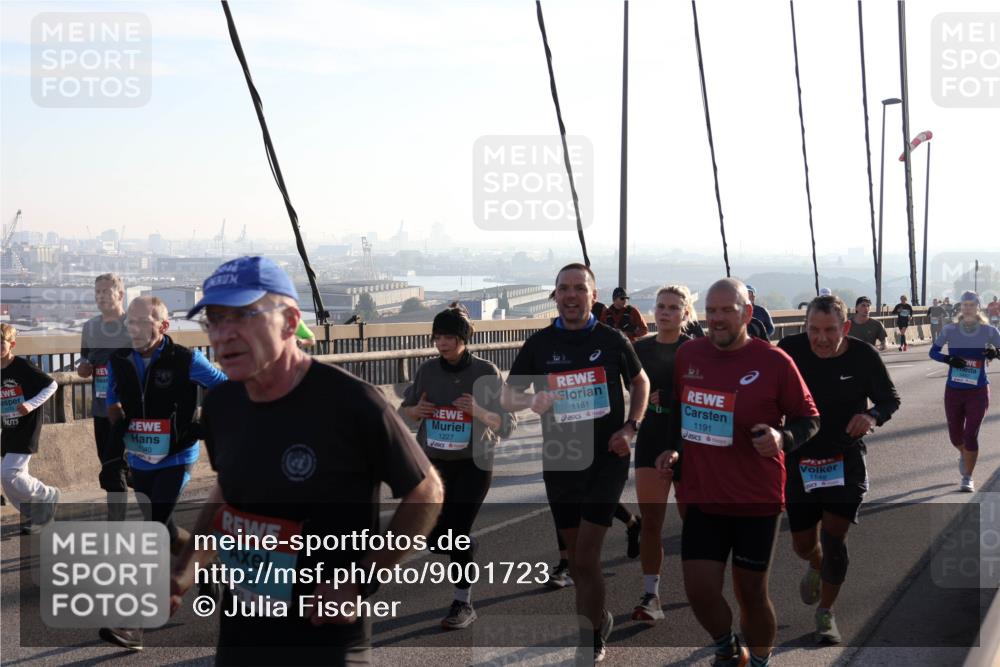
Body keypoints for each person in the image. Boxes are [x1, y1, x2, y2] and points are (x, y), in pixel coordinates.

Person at [169, 256, 443, 666]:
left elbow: (427, 489)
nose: (223, 334)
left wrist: (360, 579)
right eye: (215, 319)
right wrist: (189, 564)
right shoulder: (222, 405)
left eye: (242, 316)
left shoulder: (352, 402)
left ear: (289, 320)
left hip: (325, 637)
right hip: (242, 634)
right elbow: (229, 491)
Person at [655, 278, 819, 667]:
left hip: (755, 498)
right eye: (711, 311)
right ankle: (728, 648)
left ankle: (760, 659)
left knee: (750, 593)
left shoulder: (774, 362)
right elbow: (679, 409)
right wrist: (673, 449)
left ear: (746, 313)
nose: (717, 318)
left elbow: (809, 418)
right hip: (704, 494)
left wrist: (782, 437)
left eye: (727, 310)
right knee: (699, 590)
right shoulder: (688, 355)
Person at [503, 263, 649, 663]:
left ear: (593, 294)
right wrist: (531, 401)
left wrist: (630, 427)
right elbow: (508, 397)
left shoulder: (613, 339)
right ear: (555, 294)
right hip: (562, 460)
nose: (571, 295)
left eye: (579, 288)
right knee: (576, 556)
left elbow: (640, 381)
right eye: (563, 288)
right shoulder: (539, 343)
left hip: (607, 458)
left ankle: (590, 639)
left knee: (585, 558)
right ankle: (599, 617)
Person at [99, 296, 228, 651]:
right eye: (132, 322)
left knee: (154, 532)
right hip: (141, 458)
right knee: (166, 529)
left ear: (164, 326)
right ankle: (209, 561)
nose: (135, 328)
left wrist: (208, 423)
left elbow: (224, 387)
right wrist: (114, 444)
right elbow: (112, 401)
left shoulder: (186, 359)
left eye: (145, 321)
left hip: (176, 456)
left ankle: (133, 623)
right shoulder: (119, 360)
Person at [777, 296, 900, 644]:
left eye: (830, 330)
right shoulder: (789, 350)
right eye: (814, 330)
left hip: (844, 459)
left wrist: (872, 416)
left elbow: (891, 399)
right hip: (800, 458)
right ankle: (814, 564)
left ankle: (825, 613)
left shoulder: (863, 357)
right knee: (804, 544)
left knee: (835, 540)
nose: (821, 338)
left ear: (845, 328)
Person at [399, 304, 515, 629]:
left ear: (463, 337)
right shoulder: (427, 370)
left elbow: (507, 424)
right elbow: (404, 410)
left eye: (449, 336)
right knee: (434, 538)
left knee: (457, 533)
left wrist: (479, 411)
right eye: (438, 336)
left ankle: (462, 603)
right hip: (434, 465)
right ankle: (467, 545)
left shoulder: (485, 372)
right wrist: (415, 411)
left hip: (473, 465)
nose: (442, 342)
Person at [630, 285, 692, 621]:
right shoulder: (639, 349)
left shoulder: (696, 350)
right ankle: (651, 596)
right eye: (660, 306)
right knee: (651, 523)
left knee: (693, 524)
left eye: (672, 307)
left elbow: (710, 393)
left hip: (689, 443)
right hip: (652, 441)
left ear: (685, 313)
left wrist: (671, 397)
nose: (665, 312)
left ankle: (701, 587)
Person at [929, 291, 1000, 492]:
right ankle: (964, 453)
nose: (967, 308)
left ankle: (967, 476)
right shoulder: (950, 329)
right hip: (954, 390)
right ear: (961, 308)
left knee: (971, 435)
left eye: (971, 304)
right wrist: (948, 359)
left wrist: (996, 352)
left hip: (978, 390)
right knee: (955, 437)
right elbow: (933, 352)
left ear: (978, 307)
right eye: (964, 305)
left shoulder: (989, 331)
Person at [77, 273, 133, 519]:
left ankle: (116, 524)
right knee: (110, 462)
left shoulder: (134, 324)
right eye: (97, 292)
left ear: (120, 294)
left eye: (105, 291)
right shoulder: (89, 327)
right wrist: (83, 368)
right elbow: (84, 360)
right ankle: (143, 482)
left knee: (113, 466)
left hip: (129, 408)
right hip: (102, 408)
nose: (100, 296)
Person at [1, 323, 60, 534]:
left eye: (1, 343)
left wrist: (30, 404)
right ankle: (36, 514)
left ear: (12, 344)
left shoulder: (22, 366)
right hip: (7, 428)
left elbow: (52, 385)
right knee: (9, 482)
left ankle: (47, 494)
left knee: (8, 474)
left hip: (26, 427)